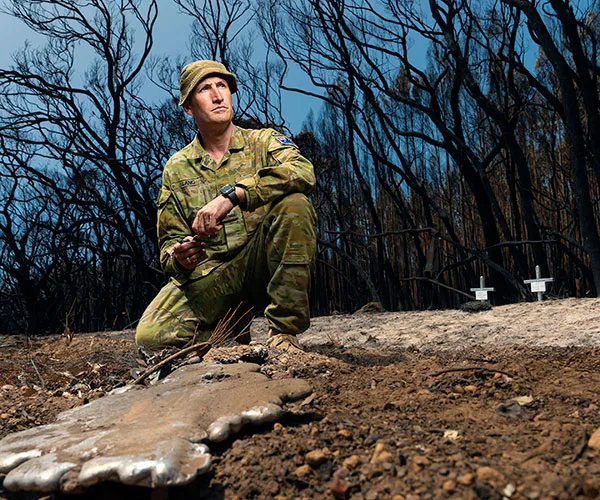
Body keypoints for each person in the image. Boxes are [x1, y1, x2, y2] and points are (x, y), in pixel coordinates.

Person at [136, 60, 317, 351]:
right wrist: (181, 257)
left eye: (222, 86)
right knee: (151, 337)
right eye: (205, 89)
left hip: (264, 265)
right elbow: (168, 247)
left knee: (295, 205)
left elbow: (303, 171)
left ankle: (283, 335)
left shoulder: (263, 141)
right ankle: (229, 334)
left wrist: (233, 196)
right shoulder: (177, 168)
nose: (218, 95)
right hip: (214, 279)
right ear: (188, 107)